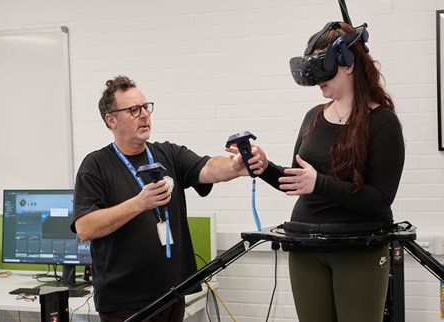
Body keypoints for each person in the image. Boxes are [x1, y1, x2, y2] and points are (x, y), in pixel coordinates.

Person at [70, 75, 265, 322]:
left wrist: (235, 167)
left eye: (145, 107)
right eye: (133, 110)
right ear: (111, 120)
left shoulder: (167, 153)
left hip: (172, 294)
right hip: (124, 303)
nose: (144, 115)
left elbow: (207, 168)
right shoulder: (96, 165)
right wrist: (139, 203)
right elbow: (84, 227)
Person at [257, 22, 405, 322]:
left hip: (358, 250)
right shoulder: (313, 117)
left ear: (348, 64)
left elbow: (380, 199)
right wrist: (263, 168)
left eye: (323, 71)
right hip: (306, 247)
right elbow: (299, 180)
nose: (318, 83)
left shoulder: (383, 123)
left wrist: (320, 184)